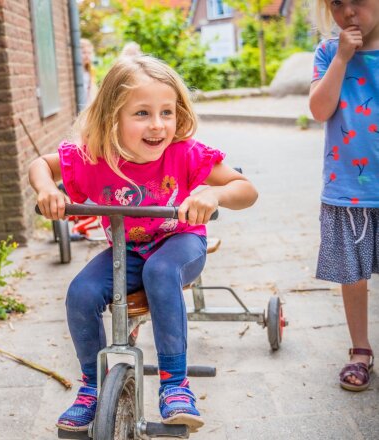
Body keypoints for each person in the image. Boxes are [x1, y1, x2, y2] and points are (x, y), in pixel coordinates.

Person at [29, 55, 258, 432]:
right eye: (142, 114)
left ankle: (175, 384)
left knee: (161, 270)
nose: (158, 125)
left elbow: (246, 190)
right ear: (111, 117)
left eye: (166, 112)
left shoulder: (183, 153)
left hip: (180, 243)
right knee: (80, 293)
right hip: (127, 249)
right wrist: (45, 191)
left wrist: (212, 196)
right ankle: (92, 386)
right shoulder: (94, 157)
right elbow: (42, 164)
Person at [310, 0, 378, 392]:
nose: (349, 12)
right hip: (347, 190)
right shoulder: (325, 52)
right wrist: (341, 59)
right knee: (353, 276)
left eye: (359, 0)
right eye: (338, 3)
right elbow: (320, 110)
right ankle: (360, 350)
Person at [80, 38, 98, 105]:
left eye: (89, 53)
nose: (87, 55)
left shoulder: (91, 70)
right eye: (84, 52)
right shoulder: (76, 72)